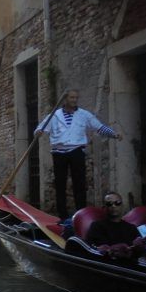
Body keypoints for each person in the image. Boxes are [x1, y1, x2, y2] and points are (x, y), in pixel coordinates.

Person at [35, 90, 123, 220]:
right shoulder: (54, 115)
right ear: (65, 99)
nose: (74, 100)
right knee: (60, 185)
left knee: (80, 184)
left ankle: (82, 214)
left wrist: (113, 134)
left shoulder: (84, 115)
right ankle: (63, 216)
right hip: (59, 153)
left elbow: (99, 127)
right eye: (72, 97)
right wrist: (38, 132)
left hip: (77, 151)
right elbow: (40, 128)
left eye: (76, 97)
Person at [86, 191, 143, 260]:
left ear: (122, 206)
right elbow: (91, 248)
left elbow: (140, 252)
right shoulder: (97, 226)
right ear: (104, 207)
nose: (113, 206)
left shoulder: (131, 228)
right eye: (109, 204)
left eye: (117, 203)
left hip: (129, 266)